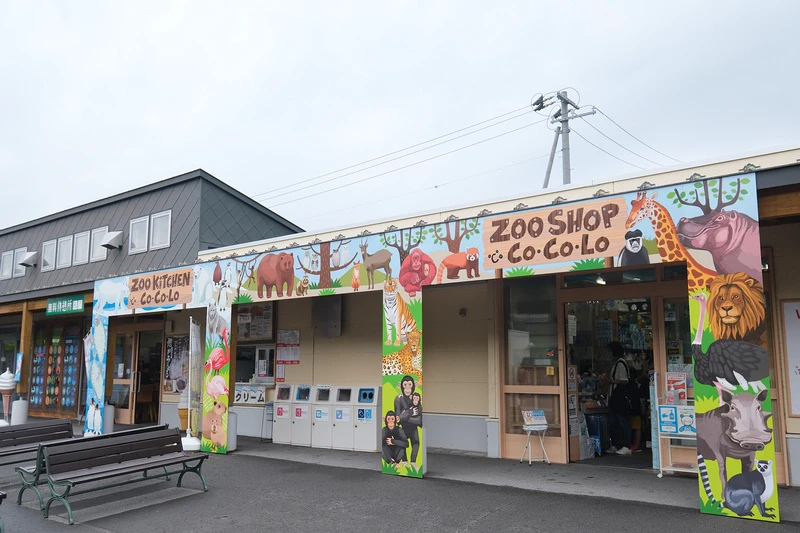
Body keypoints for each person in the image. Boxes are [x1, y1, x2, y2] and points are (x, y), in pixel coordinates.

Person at [607, 341, 632, 455]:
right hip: (615, 396)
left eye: (609, 351)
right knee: (614, 422)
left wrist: (611, 381)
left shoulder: (620, 364)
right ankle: (615, 444)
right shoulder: (617, 363)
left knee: (622, 421)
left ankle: (627, 446)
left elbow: (624, 380)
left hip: (619, 397)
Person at [394, 375, 420, 463]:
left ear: (414, 385)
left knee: (416, 443)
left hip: (413, 427)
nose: (407, 388)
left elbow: (419, 420)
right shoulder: (398, 399)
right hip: (403, 427)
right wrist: (410, 413)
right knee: (402, 443)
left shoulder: (415, 398)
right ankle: (404, 460)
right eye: (405, 385)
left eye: (410, 385)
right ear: (400, 386)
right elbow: (397, 419)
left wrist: (404, 416)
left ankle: (413, 462)